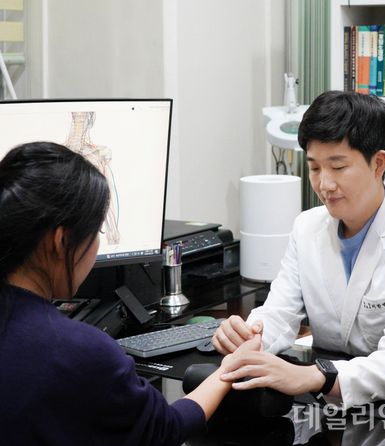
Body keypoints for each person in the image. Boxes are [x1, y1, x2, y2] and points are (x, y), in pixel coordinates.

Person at [214, 90, 385, 409]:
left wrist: (314, 376)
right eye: (314, 168)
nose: (324, 185)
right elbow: (279, 313)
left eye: (338, 167)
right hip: (338, 397)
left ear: (378, 164)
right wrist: (251, 337)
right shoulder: (306, 228)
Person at [0, 142, 235, 445]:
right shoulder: (80, 351)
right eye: (97, 231)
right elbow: (165, 429)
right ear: (60, 241)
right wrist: (226, 371)